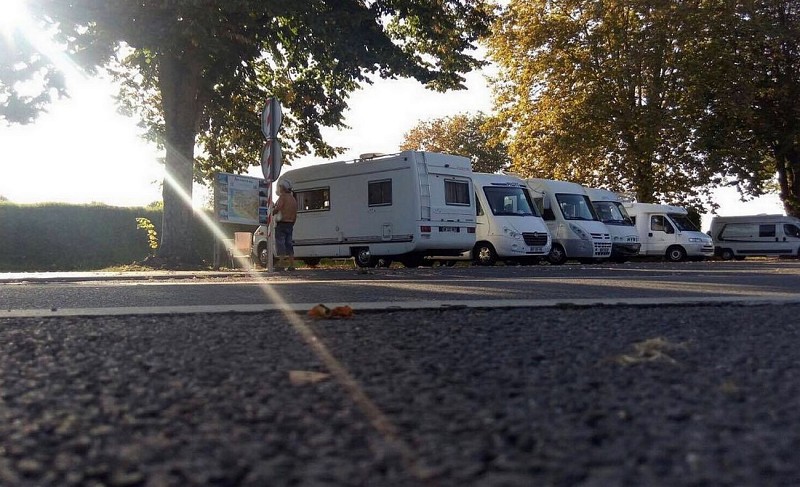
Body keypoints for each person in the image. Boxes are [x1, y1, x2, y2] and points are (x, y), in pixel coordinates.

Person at [272, 179, 298, 271]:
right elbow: (295, 214)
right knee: (289, 244)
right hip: (290, 223)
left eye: (280, 187)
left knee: (280, 244)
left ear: (283, 188)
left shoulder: (282, 197)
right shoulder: (293, 199)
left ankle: (281, 264)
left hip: (282, 223)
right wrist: (292, 223)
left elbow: (279, 207)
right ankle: (292, 264)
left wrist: (272, 211)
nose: (279, 189)